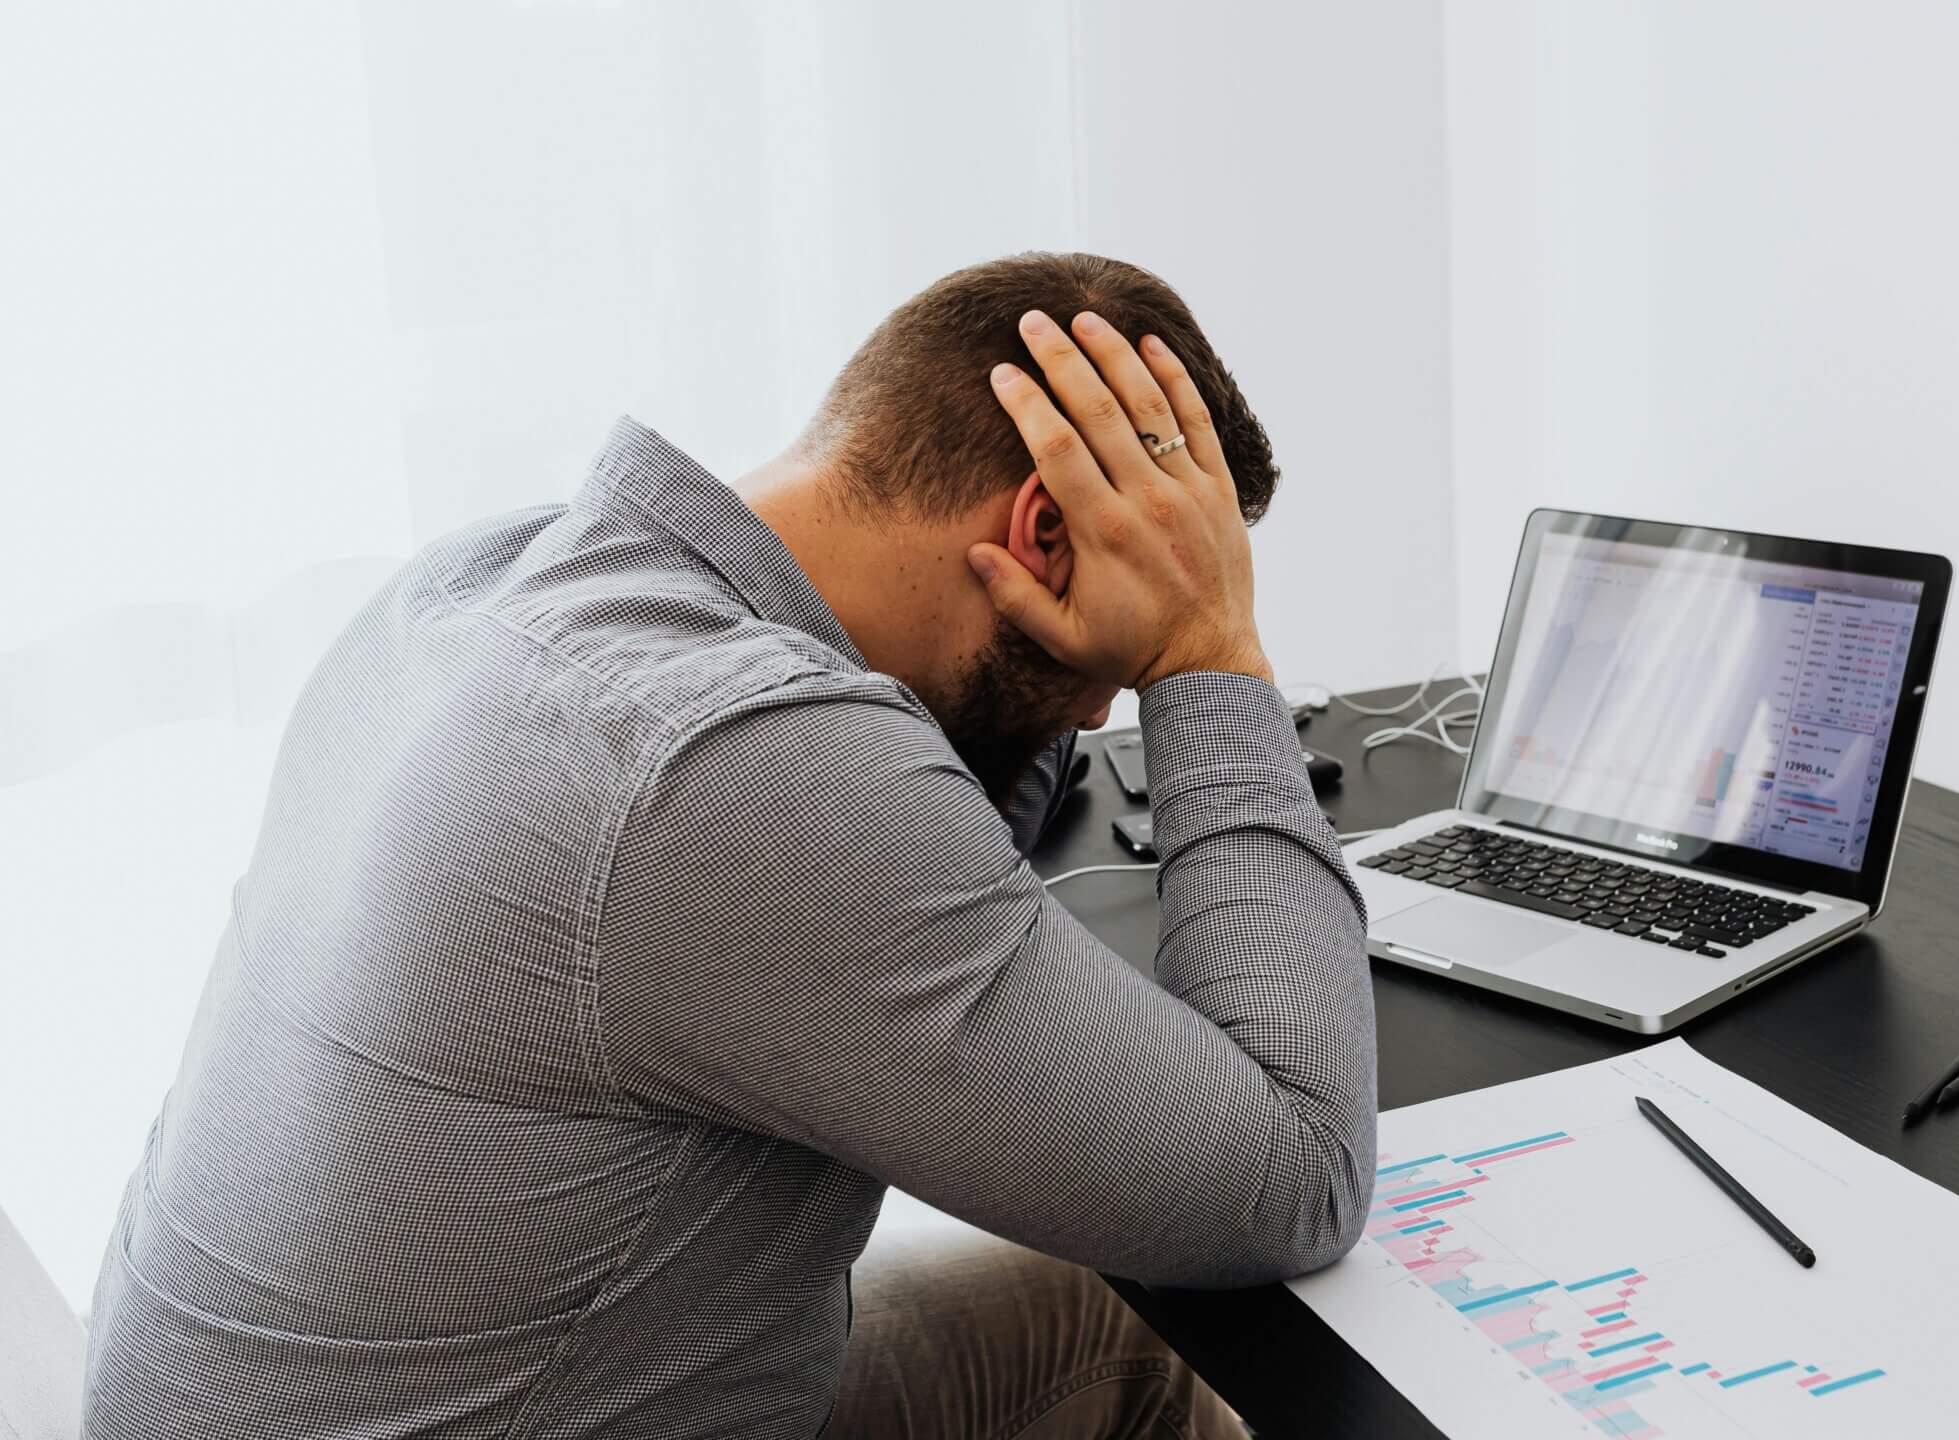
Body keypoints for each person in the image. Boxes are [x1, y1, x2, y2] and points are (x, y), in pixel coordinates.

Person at [81, 253, 1379, 1439]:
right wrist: (1209, 651)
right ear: (1041, 533)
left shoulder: (487, 585)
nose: (1104, 709)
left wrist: (1080, 657)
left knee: (1104, 1331)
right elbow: (1295, 1179)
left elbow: (925, 804)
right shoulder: (723, 758)